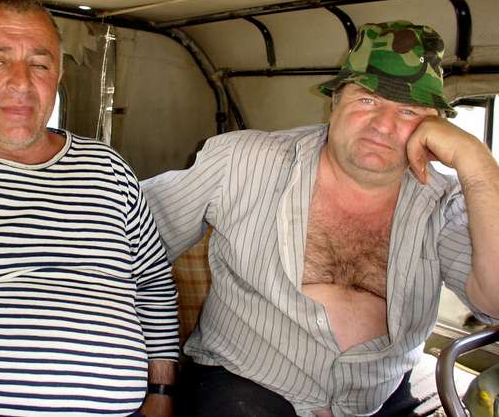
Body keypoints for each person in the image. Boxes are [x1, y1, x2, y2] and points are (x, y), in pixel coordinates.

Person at [141, 21, 499, 417]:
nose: (383, 125)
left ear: (434, 125)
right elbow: (123, 234)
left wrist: (477, 164)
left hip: (380, 394)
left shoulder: (444, 199)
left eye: (408, 111)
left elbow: (495, 301)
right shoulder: (240, 161)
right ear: (335, 101)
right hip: (247, 383)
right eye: (367, 100)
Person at [0, 0, 178, 417]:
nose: (21, 82)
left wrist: (161, 393)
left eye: (39, 63)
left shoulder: (108, 168)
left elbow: (153, 286)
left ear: (58, 76)